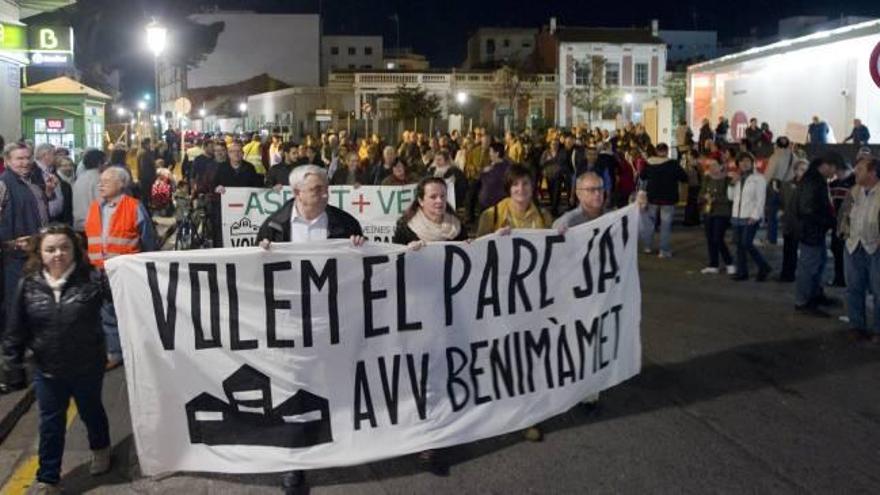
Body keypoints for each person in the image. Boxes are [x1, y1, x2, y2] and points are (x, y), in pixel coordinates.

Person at [255, 164, 364, 494]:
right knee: (294, 386)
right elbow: (255, 274)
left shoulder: (345, 223)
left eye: (325, 187)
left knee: (333, 379)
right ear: (296, 193)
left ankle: (339, 441)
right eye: (316, 189)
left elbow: (364, 268)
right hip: (291, 321)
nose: (325, 193)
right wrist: (259, 255)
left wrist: (361, 247)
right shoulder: (274, 226)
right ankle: (295, 462)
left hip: (333, 318)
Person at [0, 224, 112, 493]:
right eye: (50, 249)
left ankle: (101, 450)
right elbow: (15, 330)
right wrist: (11, 365)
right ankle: (48, 477)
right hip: (48, 371)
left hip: (87, 367)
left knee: (92, 413)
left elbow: (127, 302)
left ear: (75, 249)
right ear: (40, 252)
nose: (58, 254)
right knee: (50, 425)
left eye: (64, 247)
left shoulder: (94, 279)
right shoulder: (28, 285)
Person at [84, 167, 157, 369]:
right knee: (107, 313)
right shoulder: (94, 208)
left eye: (107, 180)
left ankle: (138, 350)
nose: (101, 184)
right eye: (101, 180)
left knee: (130, 312)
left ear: (122, 184)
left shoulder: (134, 207)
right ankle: (114, 352)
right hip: (99, 271)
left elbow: (148, 240)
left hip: (125, 271)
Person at [1, 142, 50, 321]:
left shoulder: (32, 182)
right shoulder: (3, 184)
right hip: (15, 257)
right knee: (16, 306)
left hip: (34, 254)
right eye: (19, 159)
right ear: (7, 161)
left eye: (28, 158)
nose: (25, 162)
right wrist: (9, 242)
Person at [837, 156, 880, 344]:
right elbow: (843, 214)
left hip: (875, 247)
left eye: (860, 169)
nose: (855, 171)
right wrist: (844, 233)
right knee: (853, 288)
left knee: (879, 291)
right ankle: (857, 326)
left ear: (872, 172)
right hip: (853, 245)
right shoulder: (853, 191)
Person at [794, 156, 838, 316]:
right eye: (833, 168)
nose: (834, 173)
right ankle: (803, 301)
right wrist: (826, 221)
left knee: (817, 265)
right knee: (809, 267)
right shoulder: (812, 181)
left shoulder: (815, 179)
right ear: (825, 165)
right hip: (811, 231)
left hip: (814, 230)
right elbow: (807, 209)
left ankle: (814, 295)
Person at [639, 143, 688, 258]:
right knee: (665, 226)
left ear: (657, 151)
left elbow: (642, 176)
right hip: (668, 199)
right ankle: (663, 250)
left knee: (649, 223)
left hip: (652, 197)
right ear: (666, 152)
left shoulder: (649, 163)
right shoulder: (672, 164)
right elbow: (684, 177)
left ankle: (647, 246)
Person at [728, 152, 771, 281]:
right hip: (737, 216)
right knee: (739, 245)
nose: (744, 163)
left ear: (752, 163)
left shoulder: (759, 178)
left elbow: (760, 199)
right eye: (741, 161)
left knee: (746, 243)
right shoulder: (737, 177)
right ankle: (742, 272)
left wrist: (755, 215)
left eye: (747, 161)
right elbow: (731, 197)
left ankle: (764, 266)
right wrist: (731, 184)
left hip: (750, 216)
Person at [698, 156, 735, 275]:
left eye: (715, 165)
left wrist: (715, 199)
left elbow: (729, 197)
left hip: (722, 212)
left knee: (718, 238)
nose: (712, 168)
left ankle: (729, 262)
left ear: (721, 166)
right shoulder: (707, 178)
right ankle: (713, 264)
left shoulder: (727, 179)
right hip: (708, 212)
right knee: (710, 238)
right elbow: (701, 193)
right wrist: (704, 197)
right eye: (710, 166)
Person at [778, 159, 808, 283]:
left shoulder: (811, 186)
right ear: (795, 170)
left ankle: (805, 276)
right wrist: (781, 211)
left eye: (804, 170)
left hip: (804, 223)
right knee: (788, 249)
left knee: (806, 253)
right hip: (789, 222)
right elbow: (782, 201)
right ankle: (787, 274)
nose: (801, 172)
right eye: (799, 169)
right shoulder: (786, 185)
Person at [764, 137, 796, 245]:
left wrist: (763, 186)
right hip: (789, 188)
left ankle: (771, 238)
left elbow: (769, 174)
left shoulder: (775, 156)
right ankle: (790, 238)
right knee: (789, 214)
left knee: (772, 214)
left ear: (776, 145)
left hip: (775, 187)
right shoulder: (794, 156)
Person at [828, 162, 856, 287]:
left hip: (848, 224)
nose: (837, 174)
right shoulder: (833, 185)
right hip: (837, 223)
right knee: (837, 250)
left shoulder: (854, 185)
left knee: (844, 252)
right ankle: (840, 278)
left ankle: (844, 279)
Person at [31, 143, 70, 225]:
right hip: (42, 219)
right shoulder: (32, 172)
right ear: (45, 155)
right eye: (54, 154)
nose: (56, 157)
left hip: (57, 219)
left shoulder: (51, 170)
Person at [72, 149, 106, 232]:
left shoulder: (79, 179)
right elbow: (102, 203)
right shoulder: (99, 179)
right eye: (105, 162)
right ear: (99, 163)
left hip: (78, 225)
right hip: (95, 226)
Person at [477, 142, 511, 215]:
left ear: (497, 153)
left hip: (492, 204)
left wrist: (484, 173)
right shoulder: (506, 166)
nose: (489, 154)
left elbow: (488, 183)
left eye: (491, 151)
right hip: (497, 203)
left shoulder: (497, 169)